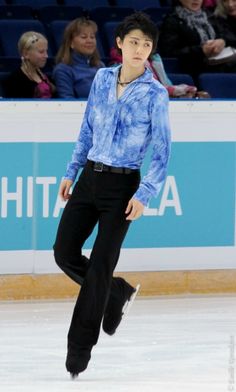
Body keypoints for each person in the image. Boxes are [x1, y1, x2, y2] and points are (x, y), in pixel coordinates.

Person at [53, 12, 171, 378]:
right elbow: (87, 128)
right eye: (134, 42)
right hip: (90, 177)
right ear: (119, 43)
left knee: (100, 266)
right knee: (64, 252)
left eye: (147, 44)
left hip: (124, 187)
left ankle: (78, 354)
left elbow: (162, 151)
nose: (140, 49)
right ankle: (116, 292)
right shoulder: (102, 79)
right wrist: (71, 172)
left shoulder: (155, 93)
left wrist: (146, 192)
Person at [158, 0, 236, 81]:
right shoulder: (172, 21)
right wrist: (201, 50)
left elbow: (227, 35)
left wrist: (222, 41)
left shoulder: (209, 14)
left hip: (222, 62)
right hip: (196, 69)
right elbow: (169, 53)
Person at [110, 46, 210, 98]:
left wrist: (183, 93)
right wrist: (174, 91)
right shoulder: (119, 67)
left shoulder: (154, 60)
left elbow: (165, 85)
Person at [53, 18, 104, 99]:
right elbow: (67, 102)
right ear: (71, 43)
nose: (89, 40)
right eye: (84, 37)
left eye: (92, 37)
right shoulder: (63, 70)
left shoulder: (100, 66)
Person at [3, 31, 54, 98]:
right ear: (26, 54)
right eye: (41, 52)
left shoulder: (45, 77)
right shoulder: (15, 81)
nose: (46, 56)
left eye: (46, 51)